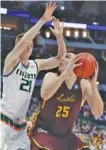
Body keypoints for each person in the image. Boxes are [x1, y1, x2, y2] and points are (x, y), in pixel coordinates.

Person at [0, 2, 67, 150]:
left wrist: (60, 37)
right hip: (2, 122)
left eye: (31, 45)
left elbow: (60, 58)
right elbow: (24, 40)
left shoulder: (35, 65)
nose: (29, 47)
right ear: (18, 47)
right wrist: (43, 20)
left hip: (20, 128)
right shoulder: (10, 61)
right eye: (26, 45)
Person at [29, 53, 104, 150]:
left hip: (65, 135)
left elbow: (98, 112)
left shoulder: (83, 84)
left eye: (67, 57)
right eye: (62, 56)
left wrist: (93, 85)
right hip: (43, 130)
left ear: (78, 63)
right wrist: (65, 74)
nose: (62, 59)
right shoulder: (52, 76)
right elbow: (45, 94)